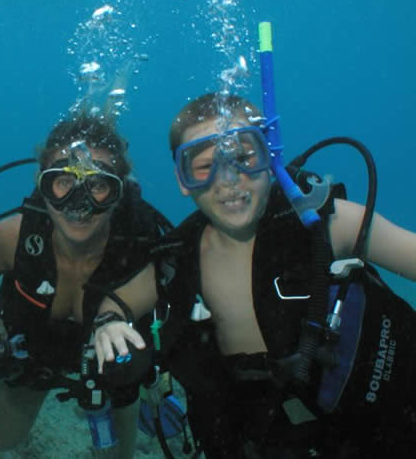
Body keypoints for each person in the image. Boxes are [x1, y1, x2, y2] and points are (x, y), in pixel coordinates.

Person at [156, 93, 416, 457]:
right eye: (203, 166)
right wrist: (109, 321)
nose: (230, 181)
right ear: (183, 180)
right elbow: (117, 300)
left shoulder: (330, 223)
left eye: (245, 158)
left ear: (271, 156)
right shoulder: (176, 261)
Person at [0, 110, 167, 457]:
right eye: (63, 182)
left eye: (98, 185)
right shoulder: (13, 236)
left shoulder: (139, 246)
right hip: (35, 352)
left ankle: (129, 402)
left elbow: (162, 286)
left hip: (109, 365)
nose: (78, 204)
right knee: (2, 439)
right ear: (43, 184)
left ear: (119, 191)